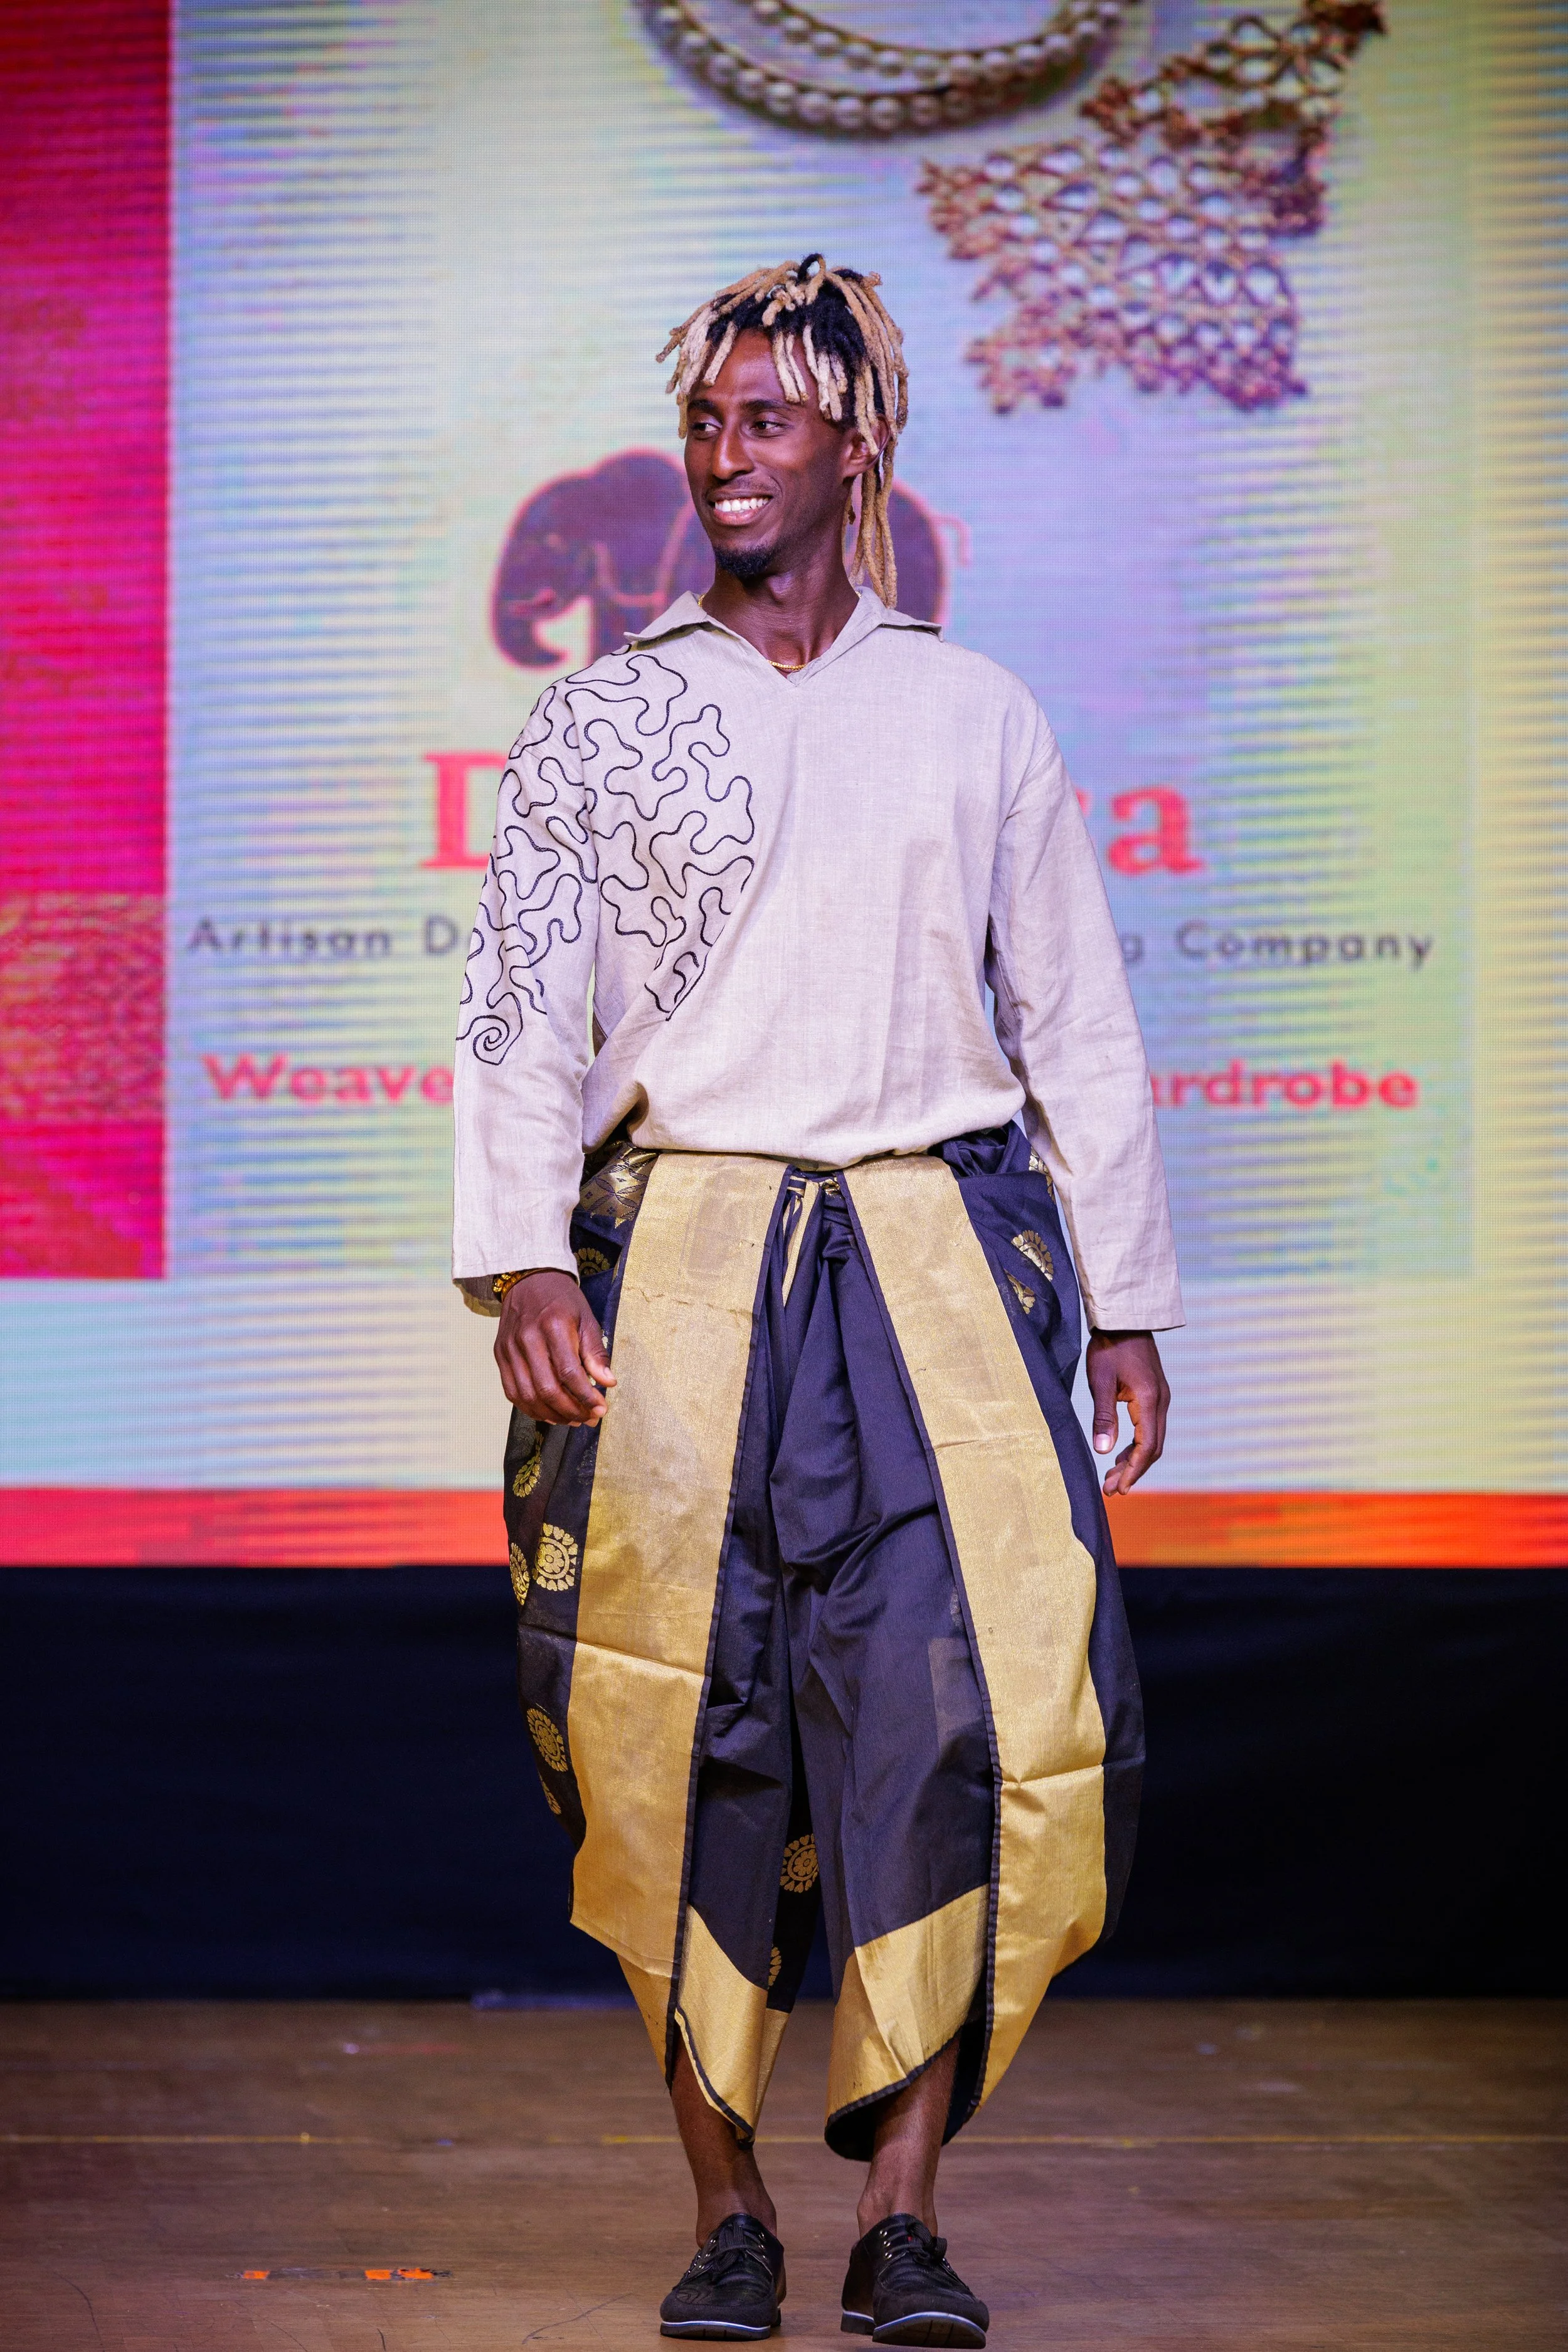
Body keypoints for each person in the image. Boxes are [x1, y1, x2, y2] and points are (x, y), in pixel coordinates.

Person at [453, 255, 1181, 2347]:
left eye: (769, 420)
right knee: (677, 1745)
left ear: (859, 443)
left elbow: (1078, 1026)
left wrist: (1119, 1294)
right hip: (672, 1269)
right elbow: (517, 1021)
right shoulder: (603, 714)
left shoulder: (971, 712)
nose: (725, 455)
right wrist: (518, 1258)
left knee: (943, 1741)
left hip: (934, 1276)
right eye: (708, 420)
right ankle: (723, 2212)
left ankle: (907, 2212)